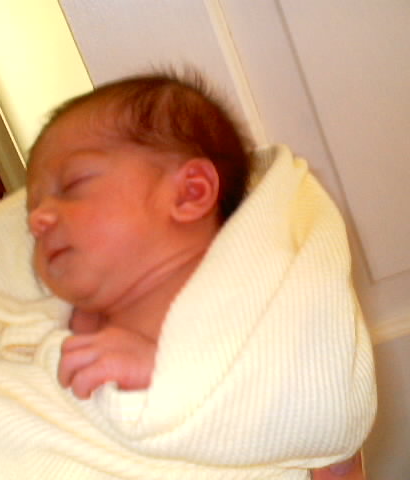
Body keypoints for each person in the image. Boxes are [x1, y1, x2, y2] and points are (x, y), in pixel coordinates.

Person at [26, 73, 367, 479]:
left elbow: (312, 408)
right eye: (32, 208)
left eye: (73, 184)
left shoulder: (252, 292)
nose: (37, 220)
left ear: (191, 192)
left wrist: (161, 378)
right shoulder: (65, 321)